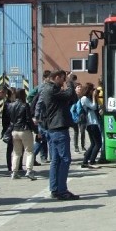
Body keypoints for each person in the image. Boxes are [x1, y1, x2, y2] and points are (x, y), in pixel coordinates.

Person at [43, 70, 79, 200]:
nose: (64, 82)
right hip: (59, 128)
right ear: (56, 77)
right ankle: (62, 190)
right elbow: (69, 94)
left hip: (53, 128)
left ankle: (54, 189)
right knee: (65, 159)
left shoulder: (48, 88)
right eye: (62, 79)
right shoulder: (52, 89)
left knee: (56, 160)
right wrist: (70, 82)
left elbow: (71, 98)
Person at [8, 87, 37, 179]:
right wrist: (36, 131)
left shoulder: (10, 105)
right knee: (29, 151)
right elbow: (28, 120)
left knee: (16, 152)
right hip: (24, 130)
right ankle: (29, 170)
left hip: (14, 131)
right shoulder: (25, 105)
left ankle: (14, 172)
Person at [30, 69, 52, 164]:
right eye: (49, 77)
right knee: (45, 137)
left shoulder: (40, 87)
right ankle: (36, 156)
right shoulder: (44, 87)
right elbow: (36, 100)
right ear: (45, 78)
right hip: (44, 116)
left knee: (42, 138)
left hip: (41, 116)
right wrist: (37, 115)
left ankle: (42, 157)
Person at [79, 82, 102, 170]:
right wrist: (93, 97)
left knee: (93, 143)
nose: (93, 91)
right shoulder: (84, 98)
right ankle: (90, 161)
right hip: (91, 123)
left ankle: (86, 162)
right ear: (88, 90)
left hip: (92, 123)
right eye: (92, 89)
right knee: (98, 143)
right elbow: (93, 107)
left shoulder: (86, 98)